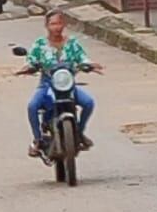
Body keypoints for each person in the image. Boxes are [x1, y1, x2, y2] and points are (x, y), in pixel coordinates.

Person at [21, 10, 102, 156]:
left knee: (88, 102)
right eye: (53, 24)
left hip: (68, 84)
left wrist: (89, 65)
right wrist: (29, 67)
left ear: (64, 24)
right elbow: (31, 60)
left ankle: (79, 132)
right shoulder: (39, 44)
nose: (56, 27)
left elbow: (82, 58)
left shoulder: (72, 43)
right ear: (46, 26)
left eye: (59, 23)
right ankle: (38, 140)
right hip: (47, 85)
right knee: (32, 106)